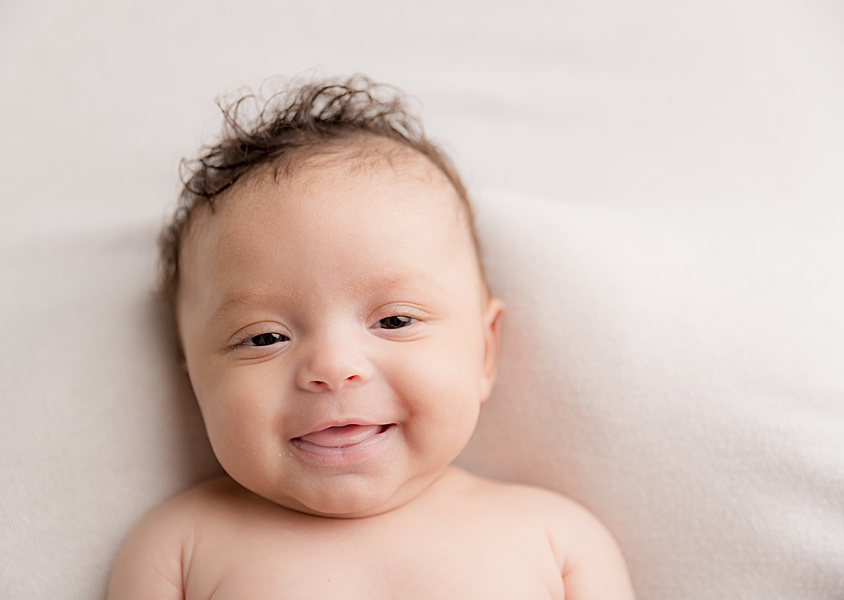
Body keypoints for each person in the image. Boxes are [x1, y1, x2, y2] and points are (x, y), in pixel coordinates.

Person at [107, 75, 635, 599]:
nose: (334, 366)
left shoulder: (556, 542)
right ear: (194, 377)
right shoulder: (178, 550)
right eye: (264, 337)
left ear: (486, 352)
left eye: (395, 321)